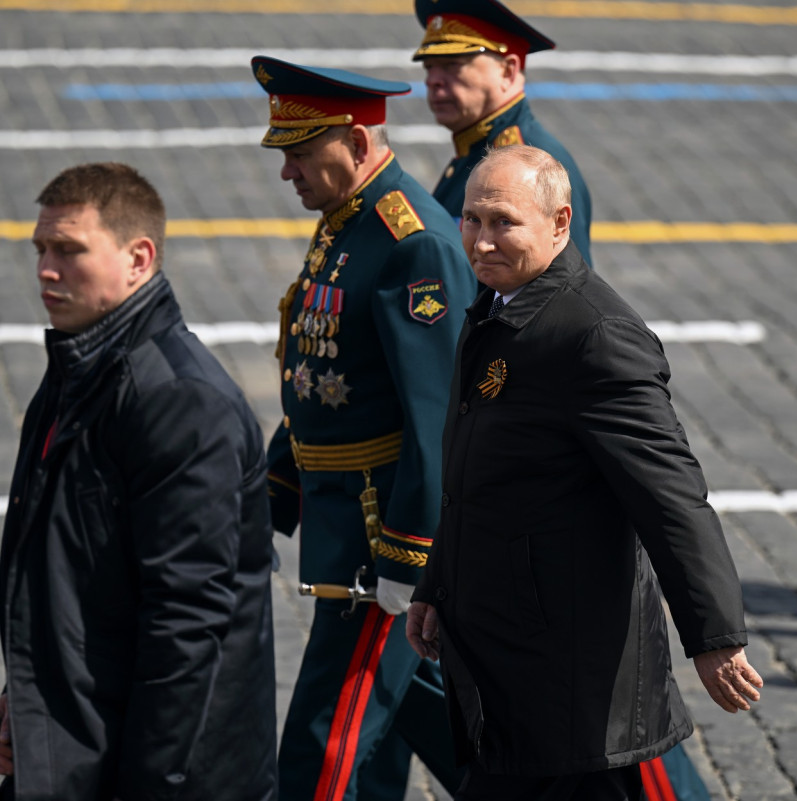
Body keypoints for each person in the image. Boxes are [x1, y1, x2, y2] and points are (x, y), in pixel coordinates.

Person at [406, 145, 763, 800]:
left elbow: (670, 494)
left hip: (569, 675)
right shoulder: (498, 309)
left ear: (560, 222)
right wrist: (438, 585)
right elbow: (475, 485)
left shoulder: (593, 335)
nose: (482, 242)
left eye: (503, 222)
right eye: (471, 220)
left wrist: (714, 636)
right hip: (504, 654)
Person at [0, 163, 277, 800]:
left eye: (69, 251)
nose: (45, 269)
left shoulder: (179, 402)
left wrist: (149, 783)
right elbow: (60, 572)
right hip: (77, 737)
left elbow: (187, 622)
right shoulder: (78, 364)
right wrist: (25, 696)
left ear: (138, 258)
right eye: (41, 249)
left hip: (155, 770)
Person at [250, 56, 476, 800]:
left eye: (299, 153)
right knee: (434, 715)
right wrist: (271, 496)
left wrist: (406, 563)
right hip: (346, 519)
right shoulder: (346, 220)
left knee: (325, 734)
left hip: (384, 538)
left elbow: (438, 418)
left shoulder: (411, 242)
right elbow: (323, 378)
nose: (287, 172)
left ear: (352, 141)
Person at [412, 0, 594, 269]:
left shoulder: (531, 166)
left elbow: (563, 291)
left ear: (508, 71)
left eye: (452, 65)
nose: (433, 80)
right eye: (429, 67)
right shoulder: (474, 149)